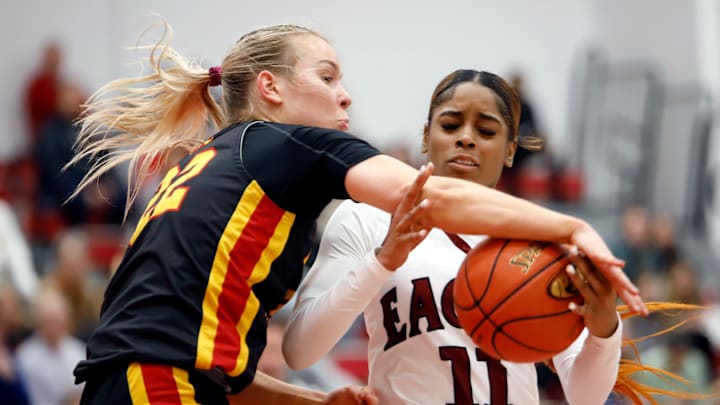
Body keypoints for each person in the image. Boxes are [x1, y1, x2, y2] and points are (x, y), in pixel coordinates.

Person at [67, 22, 645, 405]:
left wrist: (318, 402)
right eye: (328, 77)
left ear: (512, 149)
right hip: (156, 380)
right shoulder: (289, 149)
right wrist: (574, 224)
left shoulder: (227, 171)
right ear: (270, 88)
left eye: (487, 130)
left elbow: (225, 369)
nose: (346, 96)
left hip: (145, 379)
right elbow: (424, 199)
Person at [283, 69, 624, 404]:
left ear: (510, 151)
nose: (466, 138)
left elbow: (586, 396)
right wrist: (382, 260)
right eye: (450, 125)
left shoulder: (540, 239)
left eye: (486, 130)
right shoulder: (366, 217)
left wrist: (604, 331)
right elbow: (299, 350)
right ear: (426, 136)